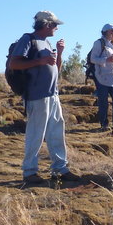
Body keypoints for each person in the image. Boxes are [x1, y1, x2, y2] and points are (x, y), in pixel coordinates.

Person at [9, 11, 80, 184]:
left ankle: (60, 169)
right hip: (36, 95)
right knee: (36, 133)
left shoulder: (47, 42)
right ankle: (29, 172)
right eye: (55, 25)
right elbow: (14, 63)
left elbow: (55, 68)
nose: (57, 28)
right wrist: (39, 62)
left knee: (56, 132)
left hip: (52, 94)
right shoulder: (28, 39)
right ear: (46, 24)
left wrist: (60, 53)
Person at [90, 24, 113, 131]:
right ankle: (104, 124)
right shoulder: (98, 43)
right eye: (112, 31)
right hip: (102, 77)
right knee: (103, 101)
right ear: (106, 32)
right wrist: (106, 60)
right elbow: (93, 58)